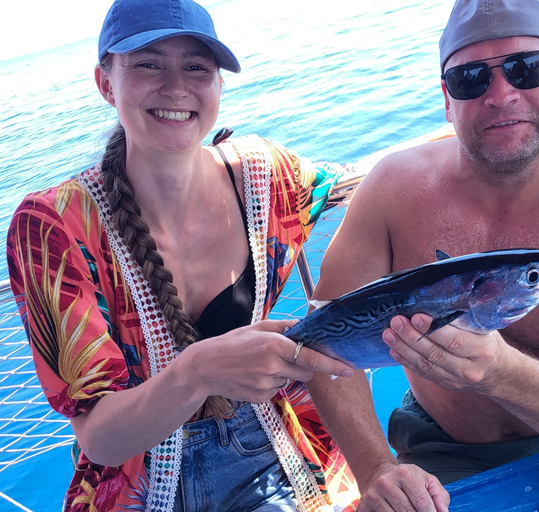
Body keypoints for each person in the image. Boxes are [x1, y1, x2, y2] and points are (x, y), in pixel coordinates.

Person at [306, 0, 539, 510]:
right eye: (471, 79)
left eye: (527, 68)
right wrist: (376, 467)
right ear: (448, 98)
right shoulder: (391, 190)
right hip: (435, 445)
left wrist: (501, 373)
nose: (501, 94)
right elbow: (322, 343)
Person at [5, 0, 362, 510]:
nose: (175, 88)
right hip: (140, 481)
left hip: (276, 446)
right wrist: (197, 373)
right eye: (148, 63)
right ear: (106, 83)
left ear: (218, 85)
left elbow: (361, 186)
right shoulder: (54, 227)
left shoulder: (263, 178)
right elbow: (98, 439)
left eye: (196, 67)